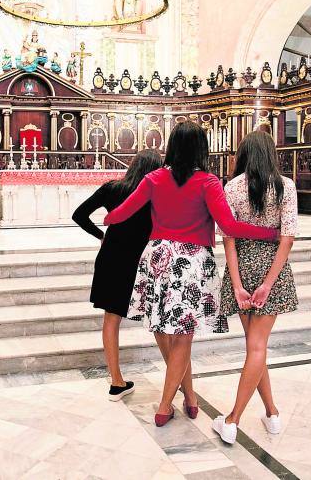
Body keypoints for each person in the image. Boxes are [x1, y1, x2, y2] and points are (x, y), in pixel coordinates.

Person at [104, 122, 280, 427]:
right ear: (202, 148)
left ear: (171, 146)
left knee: (165, 332)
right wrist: (268, 233)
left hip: (158, 258)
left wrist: (111, 219)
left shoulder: (153, 178)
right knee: (183, 337)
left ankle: (190, 396)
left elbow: (118, 214)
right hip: (193, 261)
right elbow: (230, 226)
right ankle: (163, 407)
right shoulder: (208, 182)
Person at [211, 130, 298, 444]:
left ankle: (232, 419)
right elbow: (287, 237)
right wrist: (268, 284)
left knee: (255, 347)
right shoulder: (286, 186)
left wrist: (237, 285)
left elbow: (228, 238)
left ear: (244, 154)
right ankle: (272, 414)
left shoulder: (231, 187)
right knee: (257, 348)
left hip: (243, 265)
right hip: (272, 266)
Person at [72, 149, 162, 401]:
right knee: (158, 320)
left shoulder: (112, 188)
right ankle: (176, 381)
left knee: (111, 320)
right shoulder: (156, 193)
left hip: (112, 259)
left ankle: (116, 382)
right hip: (143, 259)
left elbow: (78, 215)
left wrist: (101, 236)